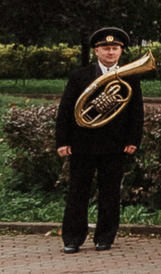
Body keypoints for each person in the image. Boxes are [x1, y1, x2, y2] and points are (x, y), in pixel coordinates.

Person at [56, 27, 142, 254]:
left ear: (121, 51)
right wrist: (62, 141)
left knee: (110, 193)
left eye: (115, 48)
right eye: (106, 48)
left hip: (114, 144)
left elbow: (136, 111)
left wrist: (133, 139)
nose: (111, 52)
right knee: (77, 192)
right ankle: (73, 238)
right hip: (82, 143)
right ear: (96, 51)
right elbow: (65, 110)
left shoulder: (129, 76)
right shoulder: (80, 76)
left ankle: (105, 237)